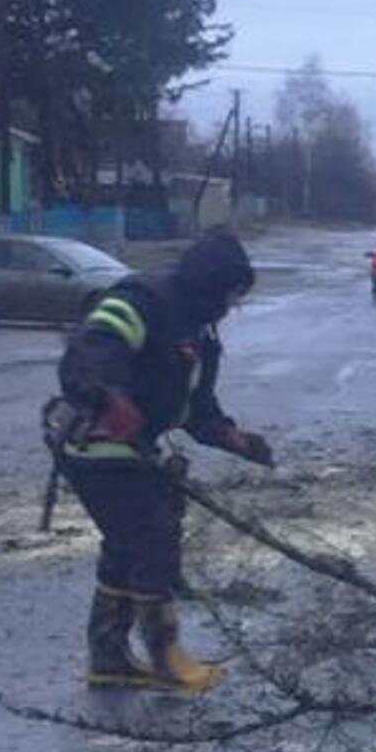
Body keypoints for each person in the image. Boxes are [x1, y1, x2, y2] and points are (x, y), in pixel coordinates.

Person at [48, 228, 273, 693]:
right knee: (154, 536)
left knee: (127, 543)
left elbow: (192, 406)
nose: (228, 308)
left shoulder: (196, 328)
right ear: (205, 283)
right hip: (97, 439)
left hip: (133, 447)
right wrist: (110, 398)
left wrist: (232, 438)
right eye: (226, 295)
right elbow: (92, 346)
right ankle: (166, 656)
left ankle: (109, 658)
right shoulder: (142, 301)